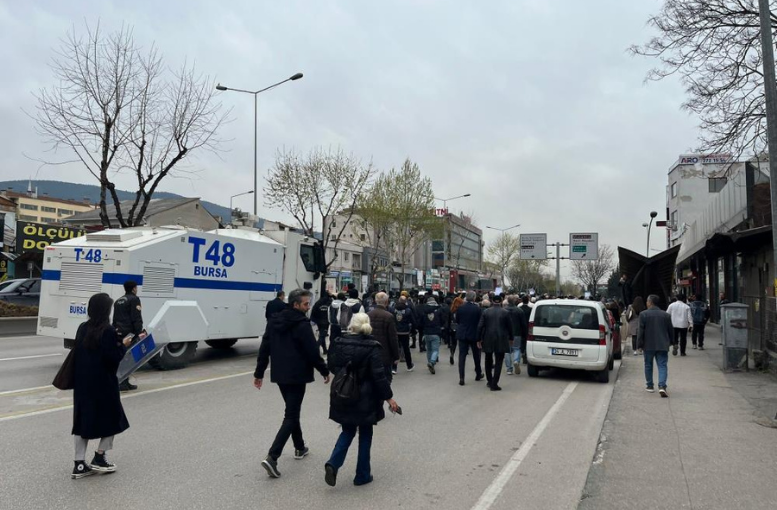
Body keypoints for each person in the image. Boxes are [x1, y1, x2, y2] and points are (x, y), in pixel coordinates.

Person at [254, 289, 331, 479]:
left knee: (292, 410)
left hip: (280, 375)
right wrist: (323, 370)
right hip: (297, 375)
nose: (308, 307)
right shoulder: (302, 324)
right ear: (295, 304)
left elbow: (265, 347)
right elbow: (312, 352)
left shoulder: (274, 321)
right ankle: (272, 456)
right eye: (306, 304)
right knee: (291, 414)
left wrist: (259, 372)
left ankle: (299, 447)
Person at [324, 313, 399, 487]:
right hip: (366, 395)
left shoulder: (339, 342)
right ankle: (362, 474)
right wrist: (389, 398)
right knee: (365, 434)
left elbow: (332, 365)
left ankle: (333, 463)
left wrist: (346, 375)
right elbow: (379, 377)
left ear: (352, 325)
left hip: (343, 392)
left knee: (347, 430)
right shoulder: (373, 347)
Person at [71, 293, 132, 479]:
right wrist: (123, 344)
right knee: (114, 419)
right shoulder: (108, 331)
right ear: (106, 311)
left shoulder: (82, 327)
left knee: (83, 422)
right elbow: (113, 358)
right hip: (104, 384)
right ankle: (99, 457)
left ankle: (79, 465)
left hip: (82, 383)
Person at [637, 294, 674, 397]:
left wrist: (639, 344)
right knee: (662, 365)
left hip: (648, 344)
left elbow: (641, 331)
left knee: (648, 364)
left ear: (650, 302)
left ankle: (650, 386)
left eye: (647, 301)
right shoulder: (666, 315)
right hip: (662, 344)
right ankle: (662, 386)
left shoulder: (643, 314)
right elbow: (670, 330)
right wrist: (672, 341)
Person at [112, 280, 144, 392]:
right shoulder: (134, 299)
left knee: (122, 356)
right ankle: (122, 382)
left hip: (119, 332)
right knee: (128, 358)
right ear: (134, 288)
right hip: (129, 333)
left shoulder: (118, 301)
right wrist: (139, 331)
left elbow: (114, 319)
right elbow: (136, 317)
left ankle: (125, 381)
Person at [477, 295, 513, 391]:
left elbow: (480, 326)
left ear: (492, 301)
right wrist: (511, 338)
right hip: (501, 338)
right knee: (499, 361)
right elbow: (510, 327)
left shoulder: (486, 312)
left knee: (488, 360)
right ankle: (494, 383)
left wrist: (478, 339)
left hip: (488, 338)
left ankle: (489, 381)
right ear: (501, 301)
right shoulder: (505, 312)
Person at [367, 292, 400, 377]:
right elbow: (393, 338)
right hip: (385, 353)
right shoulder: (389, 316)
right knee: (385, 379)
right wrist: (396, 356)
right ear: (386, 302)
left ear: (375, 301)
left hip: (370, 352)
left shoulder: (368, 315)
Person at [455, 291, 483, 385]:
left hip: (462, 334)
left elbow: (457, 320)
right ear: (474, 298)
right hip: (474, 334)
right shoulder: (477, 309)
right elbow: (480, 323)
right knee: (476, 355)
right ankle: (478, 373)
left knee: (462, 356)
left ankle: (461, 377)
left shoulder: (460, 308)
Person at [420, 295, 444, 374]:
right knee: (435, 349)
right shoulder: (439, 310)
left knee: (429, 349)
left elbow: (421, 321)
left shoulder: (424, 310)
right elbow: (442, 320)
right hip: (436, 332)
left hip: (427, 332)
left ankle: (430, 361)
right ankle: (432, 362)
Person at [504, 295, 528, 375]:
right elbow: (523, 324)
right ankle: (516, 361)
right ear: (515, 301)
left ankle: (509, 369)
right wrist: (525, 333)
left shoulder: (503, 310)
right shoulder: (519, 311)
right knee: (516, 348)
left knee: (507, 351)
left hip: (506, 333)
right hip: (517, 332)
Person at [392, 296, 415, 372]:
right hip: (405, 332)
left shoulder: (393, 309)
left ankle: (394, 367)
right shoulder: (408, 310)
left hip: (395, 332)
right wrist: (413, 330)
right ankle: (409, 365)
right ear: (405, 302)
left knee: (395, 349)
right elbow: (412, 321)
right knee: (406, 349)